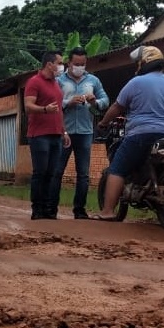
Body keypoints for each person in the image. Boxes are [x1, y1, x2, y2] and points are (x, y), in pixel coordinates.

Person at [93, 46, 164, 221]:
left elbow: (117, 107)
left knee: (117, 168)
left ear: (144, 63)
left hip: (143, 133)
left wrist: (103, 123)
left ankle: (108, 211)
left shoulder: (136, 82)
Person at [54, 47, 110, 219]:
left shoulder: (93, 80)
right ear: (69, 63)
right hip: (64, 132)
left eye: (83, 64)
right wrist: (67, 102)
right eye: (76, 64)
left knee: (83, 174)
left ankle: (79, 210)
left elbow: (105, 100)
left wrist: (95, 102)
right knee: (57, 171)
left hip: (85, 132)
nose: (79, 67)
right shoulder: (59, 81)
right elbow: (53, 102)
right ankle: (51, 207)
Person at [24, 51, 71, 220]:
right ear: (49, 64)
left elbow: (59, 111)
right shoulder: (34, 82)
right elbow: (28, 106)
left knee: (52, 173)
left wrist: (64, 131)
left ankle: (48, 209)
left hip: (56, 135)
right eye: (59, 62)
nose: (61, 65)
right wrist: (44, 109)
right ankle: (37, 209)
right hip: (39, 135)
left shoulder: (56, 84)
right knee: (40, 172)